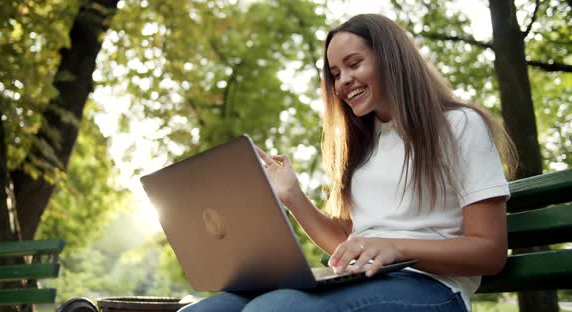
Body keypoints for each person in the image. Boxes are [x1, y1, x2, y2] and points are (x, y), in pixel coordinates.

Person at [180, 13, 517, 312]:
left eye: (354, 64)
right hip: (361, 279)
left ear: (392, 59)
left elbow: (490, 251)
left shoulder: (460, 125)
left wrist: (396, 247)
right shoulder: (365, 147)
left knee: (275, 308)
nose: (342, 82)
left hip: (435, 289)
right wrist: (293, 197)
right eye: (335, 73)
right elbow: (345, 242)